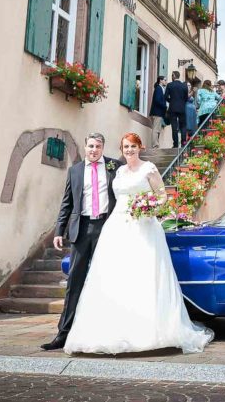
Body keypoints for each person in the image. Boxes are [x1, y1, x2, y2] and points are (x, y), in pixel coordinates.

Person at [63, 134, 214, 355]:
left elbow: (162, 196)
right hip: (116, 227)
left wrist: (148, 205)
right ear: (121, 149)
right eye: (126, 146)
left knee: (143, 275)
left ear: (140, 147)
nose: (129, 150)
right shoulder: (118, 170)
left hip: (144, 226)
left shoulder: (149, 168)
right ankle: (110, 330)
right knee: (115, 277)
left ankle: (149, 332)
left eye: (133, 146)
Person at [41, 134, 120, 351]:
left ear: (103, 147)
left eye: (98, 146)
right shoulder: (75, 170)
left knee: (106, 280)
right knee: (74, 282)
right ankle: (63, 334)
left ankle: (106, 332)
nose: (94, 150)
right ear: (85, 147)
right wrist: (59, 230)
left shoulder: (115, 166)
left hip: (106, 227)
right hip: (81, 229)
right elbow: (67, 202)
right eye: (91, 146)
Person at [163, 71, 188, 147]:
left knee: (174, 127)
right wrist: (181, 102)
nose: (171, 76)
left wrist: (171, 101)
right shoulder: (184, 86)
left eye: (172, 75)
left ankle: (176, 144)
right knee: (183, 126)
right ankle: (183, 143)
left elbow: (165, 97)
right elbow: (186, 98)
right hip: (182, 108)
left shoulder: (170, 85)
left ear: (174, 76)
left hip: (173, 108)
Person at [148, 77, 167, 148]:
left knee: (157, 129)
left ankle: (156, 144)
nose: (166, 82)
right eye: (165, 80)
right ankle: (155, 145)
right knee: (156, 129)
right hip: (157, 112)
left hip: (157, 113)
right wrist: (165, 106)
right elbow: (157, 100)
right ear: (160, 81)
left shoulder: (160, 88)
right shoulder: (159, 88)